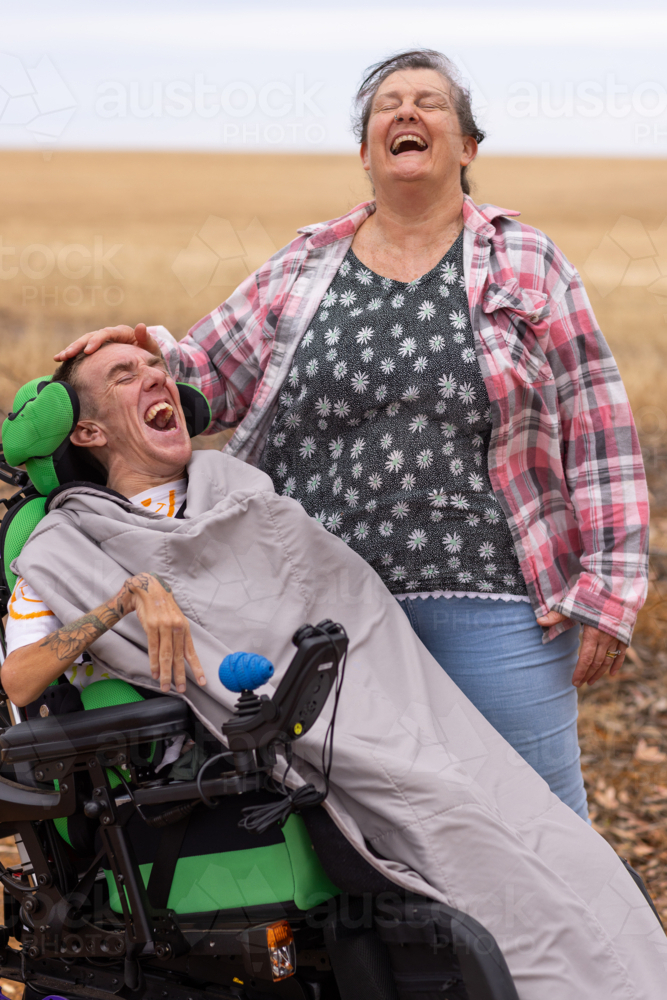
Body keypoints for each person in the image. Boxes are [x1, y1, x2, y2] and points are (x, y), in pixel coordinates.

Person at [54, 49, 649, 823]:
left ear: (466, 147)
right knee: (364, 836)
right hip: (322, 614)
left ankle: (586, 951)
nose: (407, 112)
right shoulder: (304, 265)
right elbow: (205, 373)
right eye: (387, 106)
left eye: (429, 103)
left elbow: (596, 421)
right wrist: (127, 361)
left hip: (495, 604)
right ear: (365, 151)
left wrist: (606, 589)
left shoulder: (524, 261)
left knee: (540, 826)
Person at [3, 342, 665, 999]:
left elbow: (341, 601)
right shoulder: (68, 546)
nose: (157, 382)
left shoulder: (240, 492)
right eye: (126, 376)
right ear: (88, 429)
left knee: (552, 836)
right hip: (238, 761)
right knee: (462, 825)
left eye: (159, 371)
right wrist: (122, 599)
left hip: (367, 703)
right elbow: (19, 681)